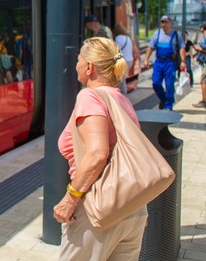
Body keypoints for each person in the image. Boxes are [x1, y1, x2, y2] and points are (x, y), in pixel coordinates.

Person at [54, 37, 147, 260]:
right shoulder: (121, 99)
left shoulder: (89, 96)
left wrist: (70, 199)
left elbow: (97, 153)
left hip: (99, 210)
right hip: (132, 207)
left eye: (78, 59)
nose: (76, 64)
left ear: (89, 67)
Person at [142, 15, 185, 110]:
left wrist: (183, 61)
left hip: (170, 62)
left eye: (165, 22)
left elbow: (182, 48)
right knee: (156, 83)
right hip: (159, 62)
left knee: (169, 84)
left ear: (170, 23)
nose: (163, 24)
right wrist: (146, 59)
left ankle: (168, 105)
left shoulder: (176, 35)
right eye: (162, 22)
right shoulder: (156, 34)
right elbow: (150, 47)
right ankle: (164, 100)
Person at [112, 23, 140, 93]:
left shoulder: (118, 38)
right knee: (122, 79)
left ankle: (123, 97)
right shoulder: (128, 38)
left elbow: (116, 50)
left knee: (121, 81)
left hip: (122, 61)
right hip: (129, 61)